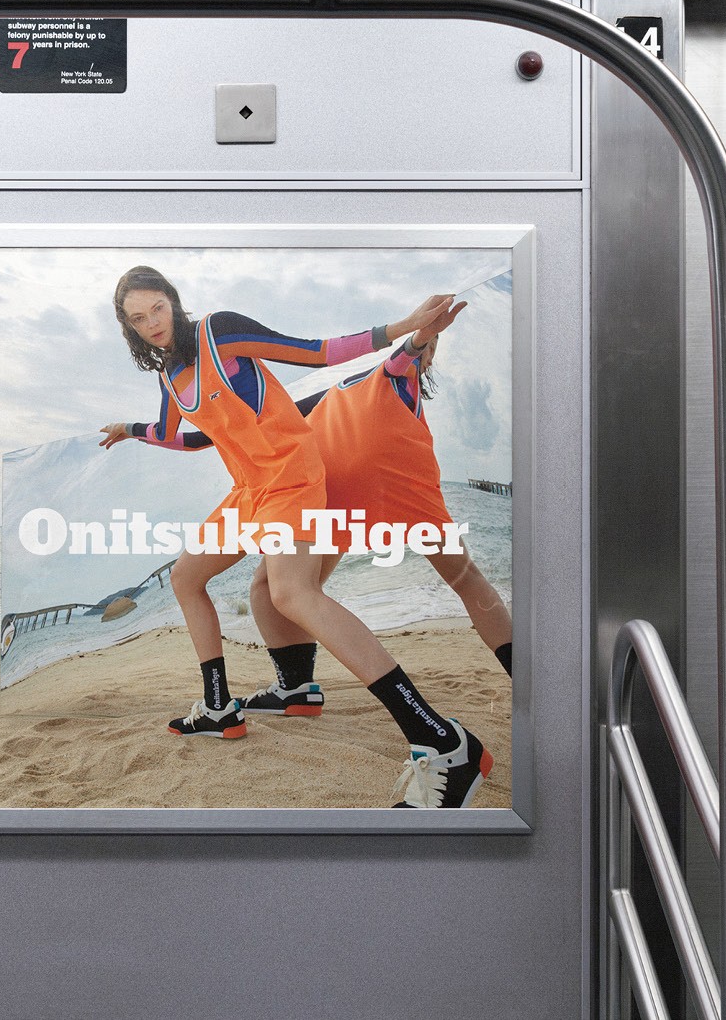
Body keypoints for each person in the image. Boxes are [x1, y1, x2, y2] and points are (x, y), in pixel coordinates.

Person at [98, 265, 492, 809]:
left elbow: (315, 351)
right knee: (187, 578)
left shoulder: (220, 332)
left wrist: (404, 326)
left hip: (293, 476)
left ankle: (441, 740)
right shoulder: (169, 376)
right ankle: (218, 708)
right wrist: (131, 430)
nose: (152, 323)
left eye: (157, 309)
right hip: (251, 489)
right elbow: (183, 438)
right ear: (129, 327)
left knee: (290, 592)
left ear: (173, 301)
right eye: (139, 319)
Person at [240, 312, 513, 730]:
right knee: (463, 577)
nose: (428, 349)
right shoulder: (355, 384)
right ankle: (295, 689)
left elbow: (404, 353)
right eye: (430, 343)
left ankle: (294, 686)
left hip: (344, 485)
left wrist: (420, 337)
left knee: (274, 587)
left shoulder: (394, 374)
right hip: (354, 486)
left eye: (433, 347)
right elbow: (279, 419)